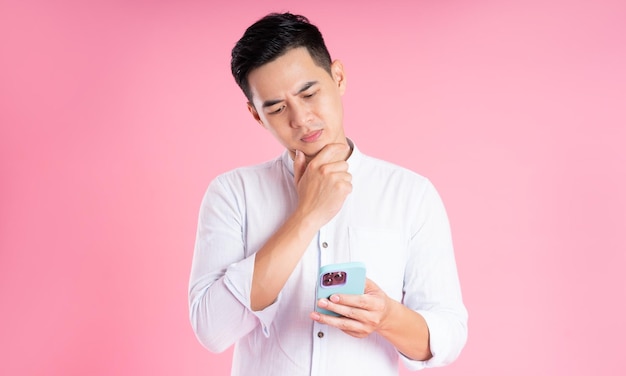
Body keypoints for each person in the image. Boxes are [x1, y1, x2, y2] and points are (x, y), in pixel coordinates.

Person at [188, 12, 467, 376]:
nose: (301, 118)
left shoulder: (410, 194)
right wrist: (308, 215)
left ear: (338, 77)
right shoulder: (232, 194)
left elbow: (448, 335)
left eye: (309, 93)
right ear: (256, 115)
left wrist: (388, 317)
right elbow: (213, 329)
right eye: (276, 107)